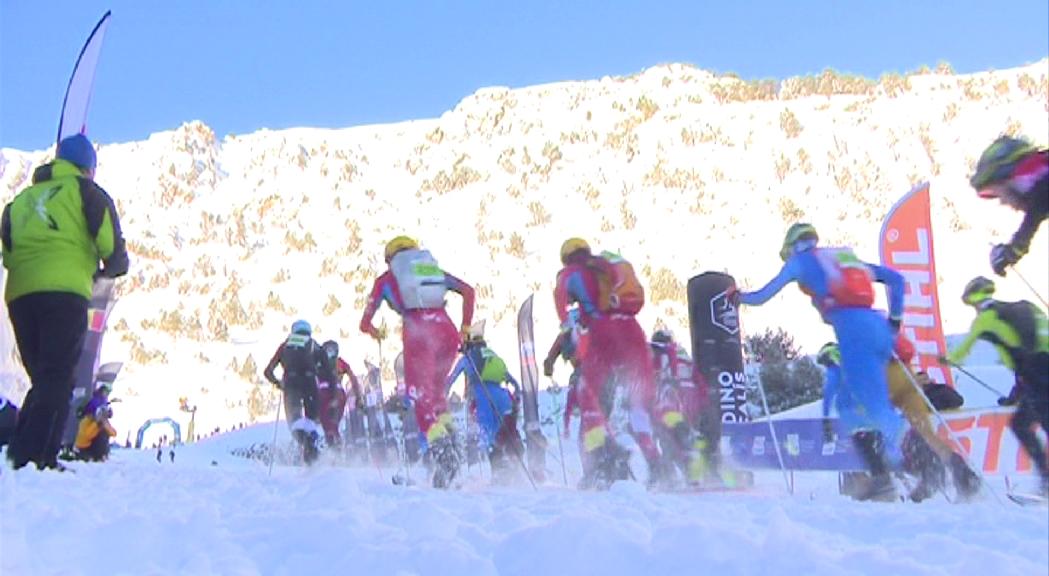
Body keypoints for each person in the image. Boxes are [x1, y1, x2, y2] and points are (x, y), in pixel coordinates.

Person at [739, 223, 905, 501]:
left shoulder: (801, 262)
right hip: (878, 326)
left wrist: (738, 297)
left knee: (866, 411)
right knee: (854, 408)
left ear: (792, 246)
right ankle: (882, 478)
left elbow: (763, 295)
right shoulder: (843, 259)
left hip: (852, 331)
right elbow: (897, 280)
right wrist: (895, 320)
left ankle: (900, 469)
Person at [2, 134, 129, 471]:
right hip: (65, 292)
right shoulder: (87, 193)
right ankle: (36, 458)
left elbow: (7, 246)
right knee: (58, 377)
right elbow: (114, 253)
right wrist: (103, 272)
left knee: (44, 378)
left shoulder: (21, 201)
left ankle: (19, 451)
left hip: (20, 294)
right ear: (88, 168)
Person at [359, 236, 475, 488]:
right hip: (447, 330)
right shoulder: (430, 269)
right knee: (436, 395)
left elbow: (364, 322)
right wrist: (466, 328)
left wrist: (375, 331)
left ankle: (444, 455)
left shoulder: (387, 280)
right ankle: (452, 443)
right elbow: (468, 291)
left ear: (390, 259)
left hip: (418, 332)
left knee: (419, 396)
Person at [554, 238, 659, 488]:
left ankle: (604, 461)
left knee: (588, 397)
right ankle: (660, 466)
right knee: (639, 403)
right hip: (632, 331)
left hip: (603, 333)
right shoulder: (605, 267)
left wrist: (568, 335)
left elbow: (565, 316)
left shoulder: (572, 273)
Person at [817, 339, 979, 502]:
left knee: (905, 441)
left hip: (888, 405)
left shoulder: (848, 367)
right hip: (898, 396)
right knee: (922, 439)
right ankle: (949, 476)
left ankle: (921, 477)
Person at [943, 276, 1048, 495]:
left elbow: (960, 354)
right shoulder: (1022, 309)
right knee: (1022, 422)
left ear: (973, 300)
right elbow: (1026, 350)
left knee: (1026, 424)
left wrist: (944, 358)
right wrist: (1016, 394)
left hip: (1037, 376)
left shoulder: (986, 318)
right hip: (1038, 373)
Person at [446, 322, 524, 481]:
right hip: (503, 395)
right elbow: (510, 379)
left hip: (483, 396)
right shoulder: (491, 353)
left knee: (489, 434)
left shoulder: (468, 358)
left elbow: (451, 379)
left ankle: (498, 472)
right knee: (507, 431)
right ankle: (516, 465)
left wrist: (442, 395)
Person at [969, 135, 1047, 275]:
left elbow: (1040, 200)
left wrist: (1015, 249)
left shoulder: (1041, 186)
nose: (1003, 202)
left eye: (999, 193)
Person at [263, 319, 324, 465]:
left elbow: (268, 371)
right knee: (312, 422)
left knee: (295, 423)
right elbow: (325, 366)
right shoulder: (313, 344)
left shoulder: (285, 345)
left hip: (291, 385)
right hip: (310, 384)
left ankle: (306, 445)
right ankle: (313, 455)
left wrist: (278, 383)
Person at [316, 340, 362, 448]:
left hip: (323, 394)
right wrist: (358, 397)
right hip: (339, 395)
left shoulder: (317, 362)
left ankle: (333, 452)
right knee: (333, 424)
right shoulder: (340, 362)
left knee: (327, 424)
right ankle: (337, 450)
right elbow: (353, 379)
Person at [73, 383, 117, 463]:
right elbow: (86, 436)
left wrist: (104, 424)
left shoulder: (103, 421)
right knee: (101, 435)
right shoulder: (87, 421)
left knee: (104, 434)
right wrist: (96, 424)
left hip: (93, 446)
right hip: (84, 448)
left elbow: (113, 433)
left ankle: (101, 455)